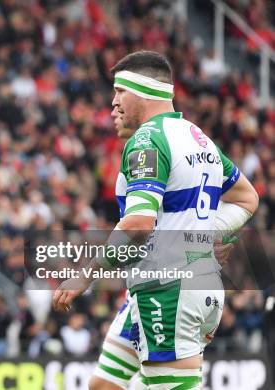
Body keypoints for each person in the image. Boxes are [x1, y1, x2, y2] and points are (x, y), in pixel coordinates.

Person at [53, 51, 259, 389]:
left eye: (120, 91)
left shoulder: (148, 140)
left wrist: (83, 276)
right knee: (103, 385)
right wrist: (201, 238)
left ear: (144, 92)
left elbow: (138, 224)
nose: (113, 103)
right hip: (184, 285)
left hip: (169, 291)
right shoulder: (198, 137)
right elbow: (247, 198)